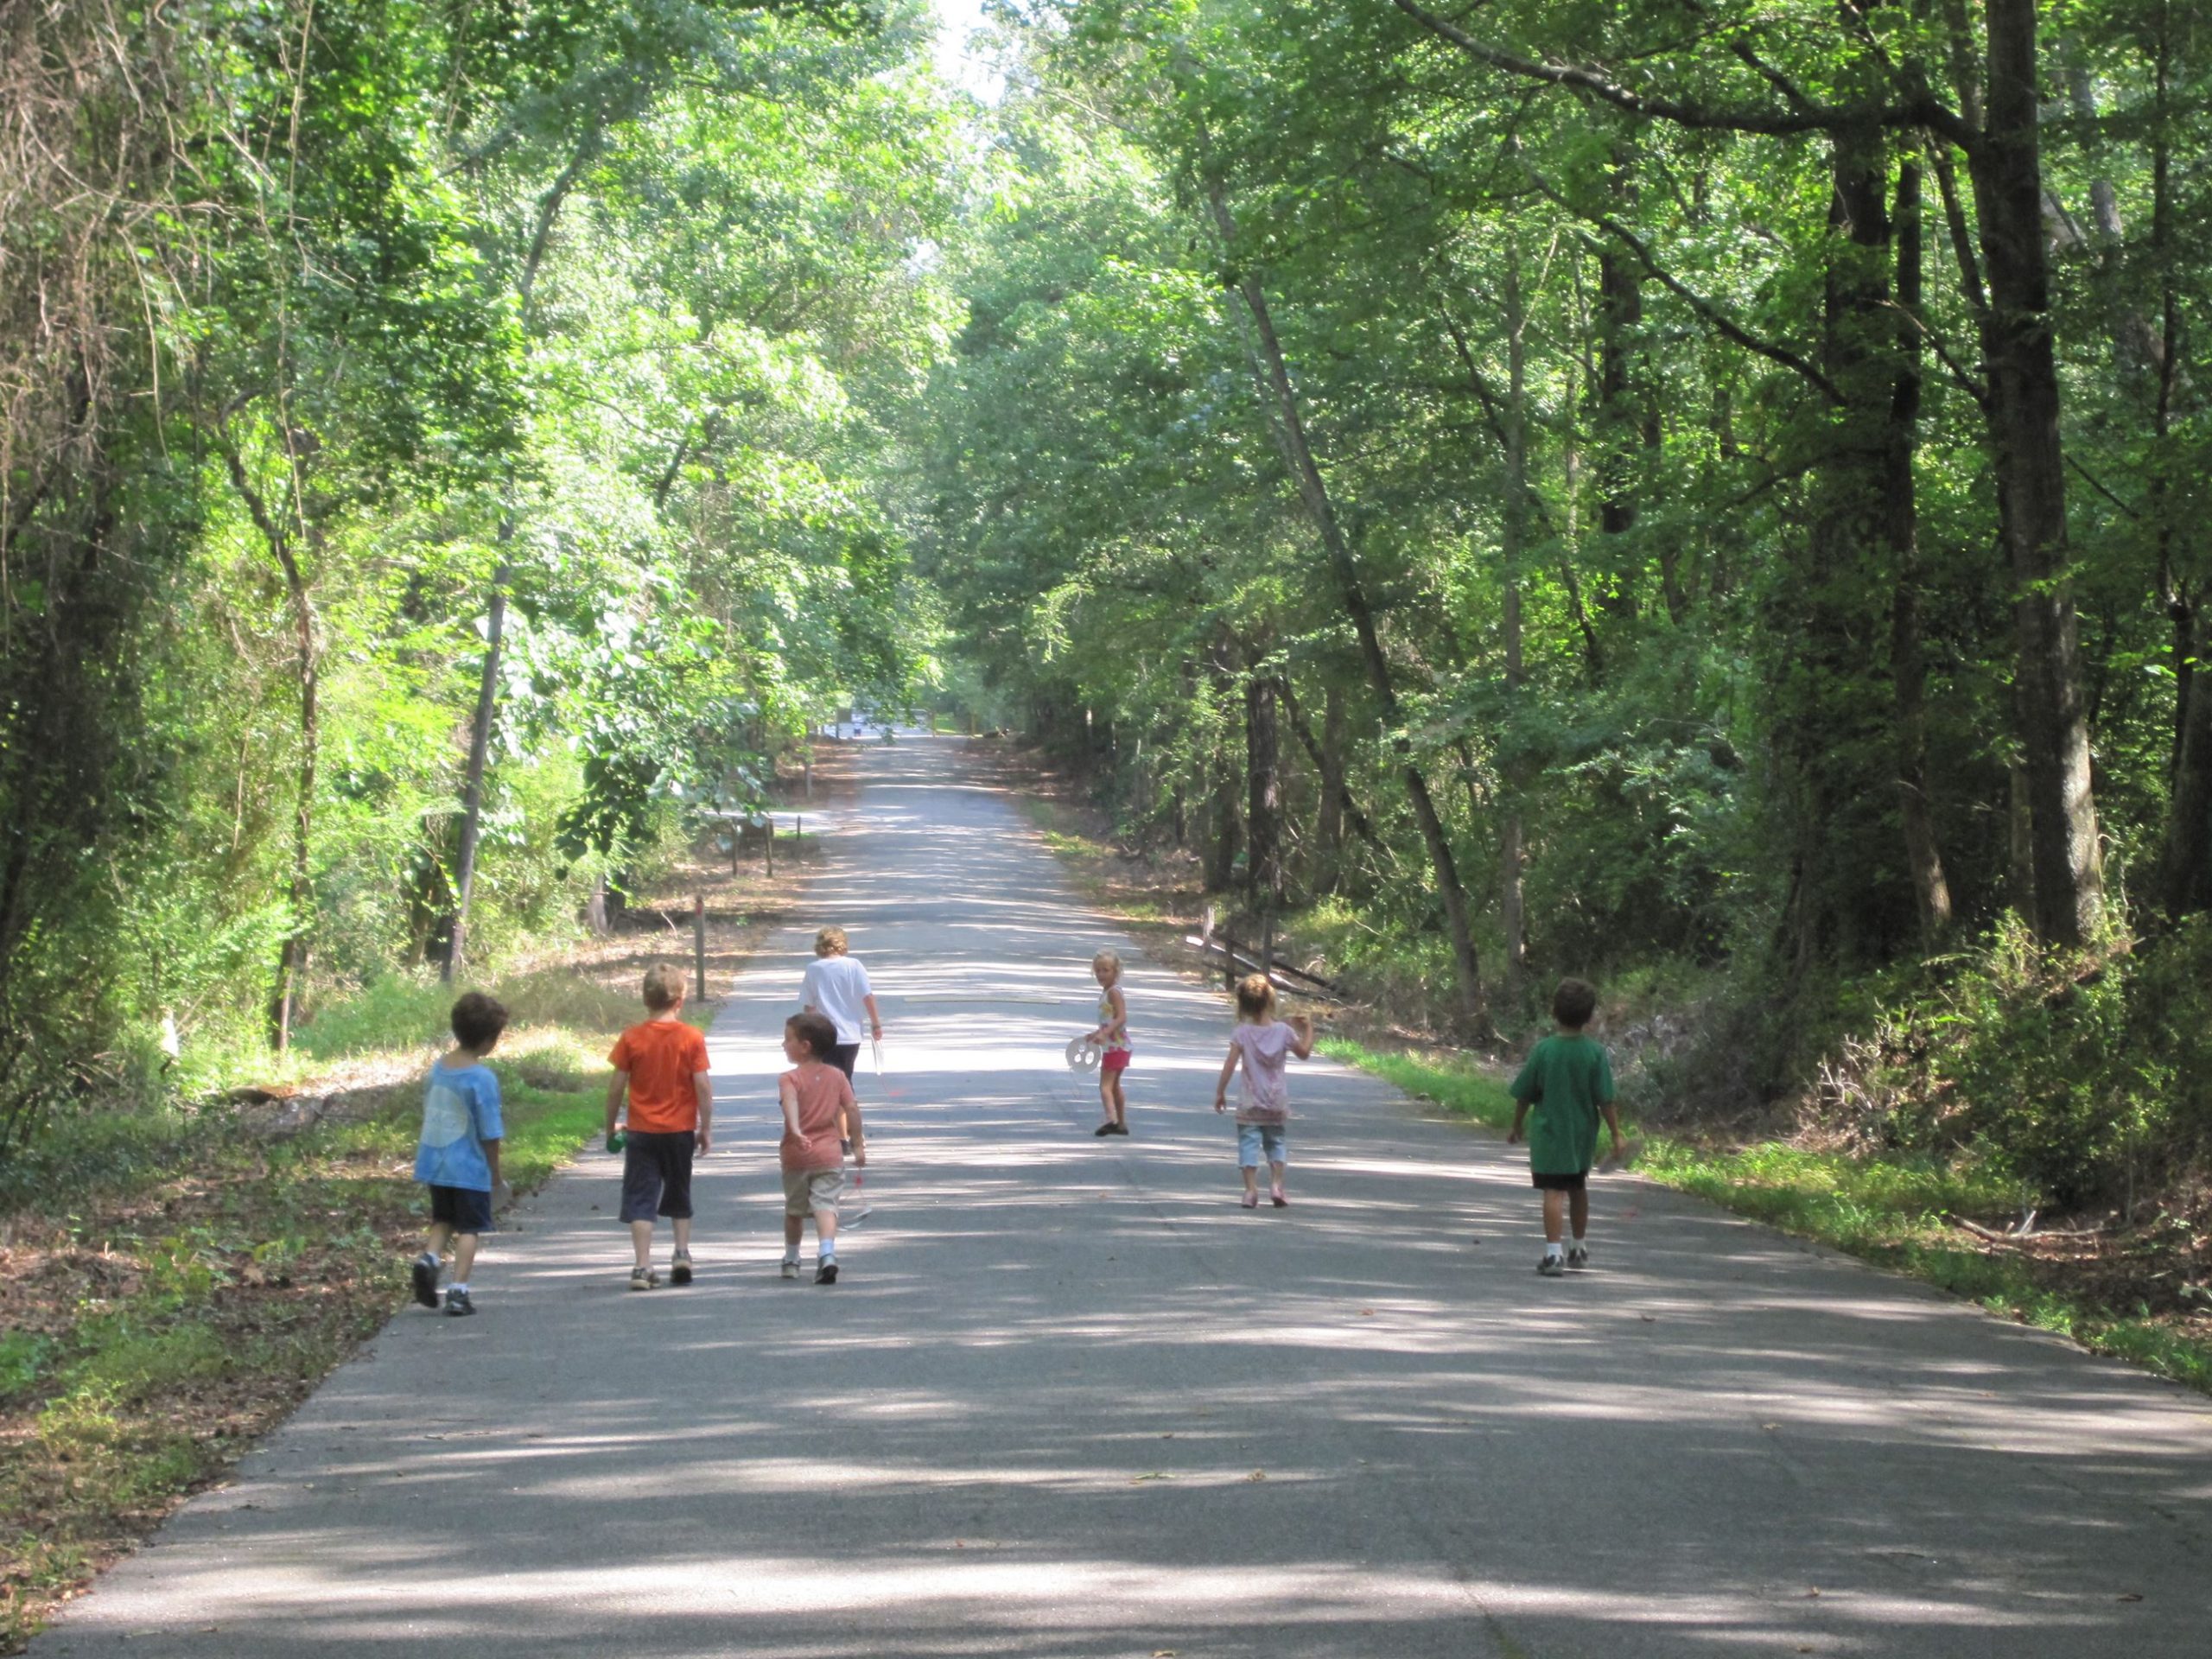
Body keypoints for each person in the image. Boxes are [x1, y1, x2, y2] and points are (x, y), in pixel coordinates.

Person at [606, 964, 714, 1291]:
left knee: (641, 1197)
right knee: (679, 1191)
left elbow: (616, 1087)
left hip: (642, 1132)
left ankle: (642, 1266)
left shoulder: (631, 1037)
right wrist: (705, 1128)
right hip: (680, 1132)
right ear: (680, 1001)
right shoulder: (691, 1037)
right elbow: (702, 1086)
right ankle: (681, 1254)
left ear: (645, 999)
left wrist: (610, 1126)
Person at [1507, 976, 1624, 1276]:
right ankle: (1579, 1248)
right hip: (1581, 1135)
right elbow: (1605, 1099)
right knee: (1578, 1188)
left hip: (1550, 1136)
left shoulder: (1544, 1050)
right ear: (1590, 1016)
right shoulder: (1595, 1053)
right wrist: (1616, 1135)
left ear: (1554, 1012)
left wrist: (1517, 1125)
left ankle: (1553, 1255)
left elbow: (1525, 1094)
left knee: (1553, 1191)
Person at [410, 992, 510, 1318]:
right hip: (469, 1168)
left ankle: (429, 1259)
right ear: (489, 1040)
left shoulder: (438, 1069)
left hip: (436, 1162)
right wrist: (495, 1174)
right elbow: (490, 1132)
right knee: (470, 1228)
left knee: (443, 1219)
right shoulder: (482, 1078)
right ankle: (458, 1291)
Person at [1212, 974, 1314, 1207]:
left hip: (1250, 1102)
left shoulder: (1242, 1032)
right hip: (1276, 1101)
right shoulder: (1284, 1031)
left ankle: (1250, 1191)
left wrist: (1220, 1091)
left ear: (1243, 1005)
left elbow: (1230, 1064)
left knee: (1248, 1144)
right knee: (1276, 1143)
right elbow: (1304, 1053)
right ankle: (1277, 1185)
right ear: (1270, 1000)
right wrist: (1309, 1028)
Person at [779, 1011, 864, 1284]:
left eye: (788, 1039)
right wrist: (857, 1145)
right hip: (829, 1155)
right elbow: (852, 1108)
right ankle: (827, 1253)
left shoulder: (789, 1078)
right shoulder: (837, 1076)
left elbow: (790, 1102)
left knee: (794, 1211)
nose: (783, 1044)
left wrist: (795, 1130)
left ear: (805, 1046)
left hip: (797, 1154)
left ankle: (792, 1259)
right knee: (826, 1207)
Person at [802, 926, 882, 1081]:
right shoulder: (854, 965)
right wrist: (876, 1024)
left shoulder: (813, 969)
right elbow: (868, 997)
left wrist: (807, 1033)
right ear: (842, 944)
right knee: (845, 1079)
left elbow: (810, 1007)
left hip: (823, 1036)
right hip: (850, 1035)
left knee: (827, 1081)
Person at [1087, 950, 1132, 1135]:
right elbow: (1109, 1020)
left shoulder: (1114, 992)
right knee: (1114, 1086)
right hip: (1118, 1046)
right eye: (1098, 970)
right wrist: (1096, 1034)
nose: (1101, 974)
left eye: (1106, 970)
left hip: (1116, 1047)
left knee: (1104, 1086)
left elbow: (1121, 1017)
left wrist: (1105, 1033)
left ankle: (1110, 1119)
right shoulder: (1107, 992)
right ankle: (1121, 1124)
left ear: (1116, 971)